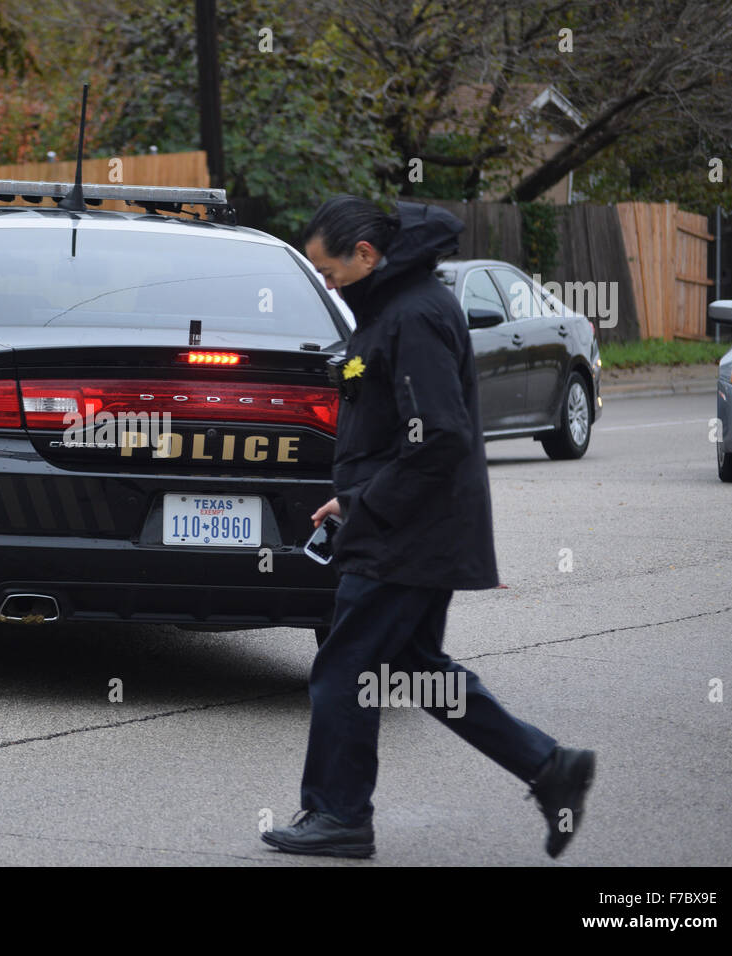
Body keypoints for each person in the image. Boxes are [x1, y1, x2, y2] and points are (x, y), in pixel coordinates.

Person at [261, 196, 595, 859]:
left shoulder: (412, 314)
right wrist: (351, 498)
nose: (327, 285)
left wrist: (365, 503)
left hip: (405, 536)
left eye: (330, 273)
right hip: (407, 523)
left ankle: (339, 816)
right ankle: (550, 766)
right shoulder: (396, 305)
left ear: (365, 255)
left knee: (344, 669)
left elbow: (438, 436)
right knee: (415, 673)